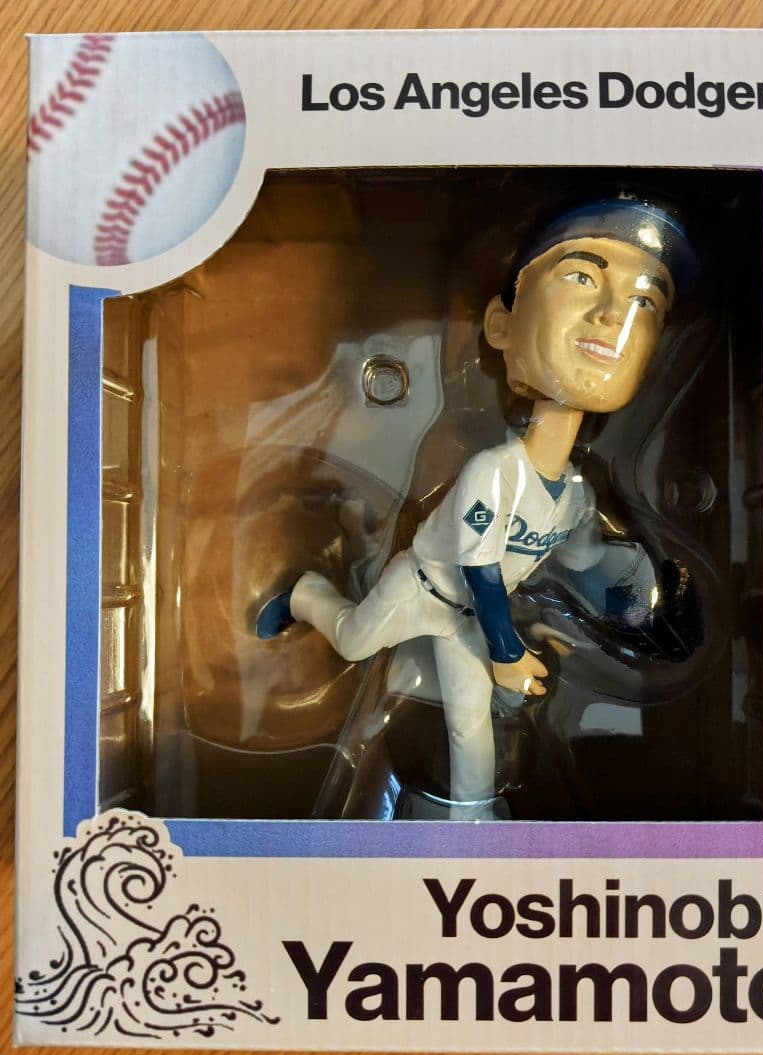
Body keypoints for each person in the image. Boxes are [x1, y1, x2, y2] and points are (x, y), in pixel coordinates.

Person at [256, 196, 696, 819]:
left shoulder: (576, 495)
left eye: (645, 301)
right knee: (354, 642)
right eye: (581, 277)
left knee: (470, 720)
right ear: (500, 326)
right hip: (422, 589)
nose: (612, 316)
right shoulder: (494, 472)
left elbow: (579, 562)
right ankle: (306, 594)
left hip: (468, 619)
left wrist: (624, 604)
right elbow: (482, 573)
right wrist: (508, 652)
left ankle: (471, 816)